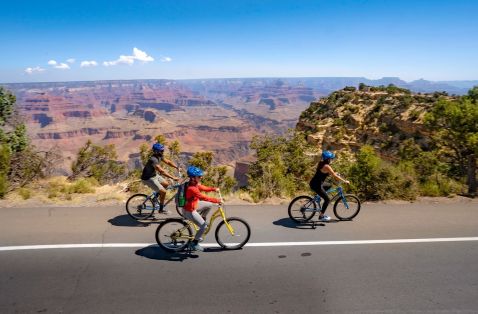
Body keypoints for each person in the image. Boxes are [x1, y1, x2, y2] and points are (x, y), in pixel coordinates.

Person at [183, 166, 221, 251]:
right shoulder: (192, 188)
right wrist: (217, 200)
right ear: (193, 178)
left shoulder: (193, 184)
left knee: (209, 205)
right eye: (199, 176)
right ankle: (194, 243)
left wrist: (213, 189)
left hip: (194, 205)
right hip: (189, 211)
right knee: (204, 226)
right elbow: (203, 197)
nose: (201, 177)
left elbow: (202, 187)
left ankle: (202, 220)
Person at [309, 150, 350, 222]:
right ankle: (321, 216)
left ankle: (319, 196)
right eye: (331, 158)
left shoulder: (321, 163)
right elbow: (334, 176)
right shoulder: (327, 166)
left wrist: (335, 173)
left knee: (329, 185)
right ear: (328, 159)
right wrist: (345, 181)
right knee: (327, 200)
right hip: (316, 185)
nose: (332, 160)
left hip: (314, 183)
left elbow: (330, 173)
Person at [141, 143, 180, 214]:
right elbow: (162, 171)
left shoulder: (160, 156)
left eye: (163, 150)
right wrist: (173, 177)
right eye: (161, 151)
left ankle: (154, 198)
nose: (163, 152)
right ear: (156, 151)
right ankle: (161, 209)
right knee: (163, 192)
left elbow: (168, 162)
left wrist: (176, 167)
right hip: (148, 179)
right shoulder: (153, 159)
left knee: (166, 184)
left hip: (154, 175)